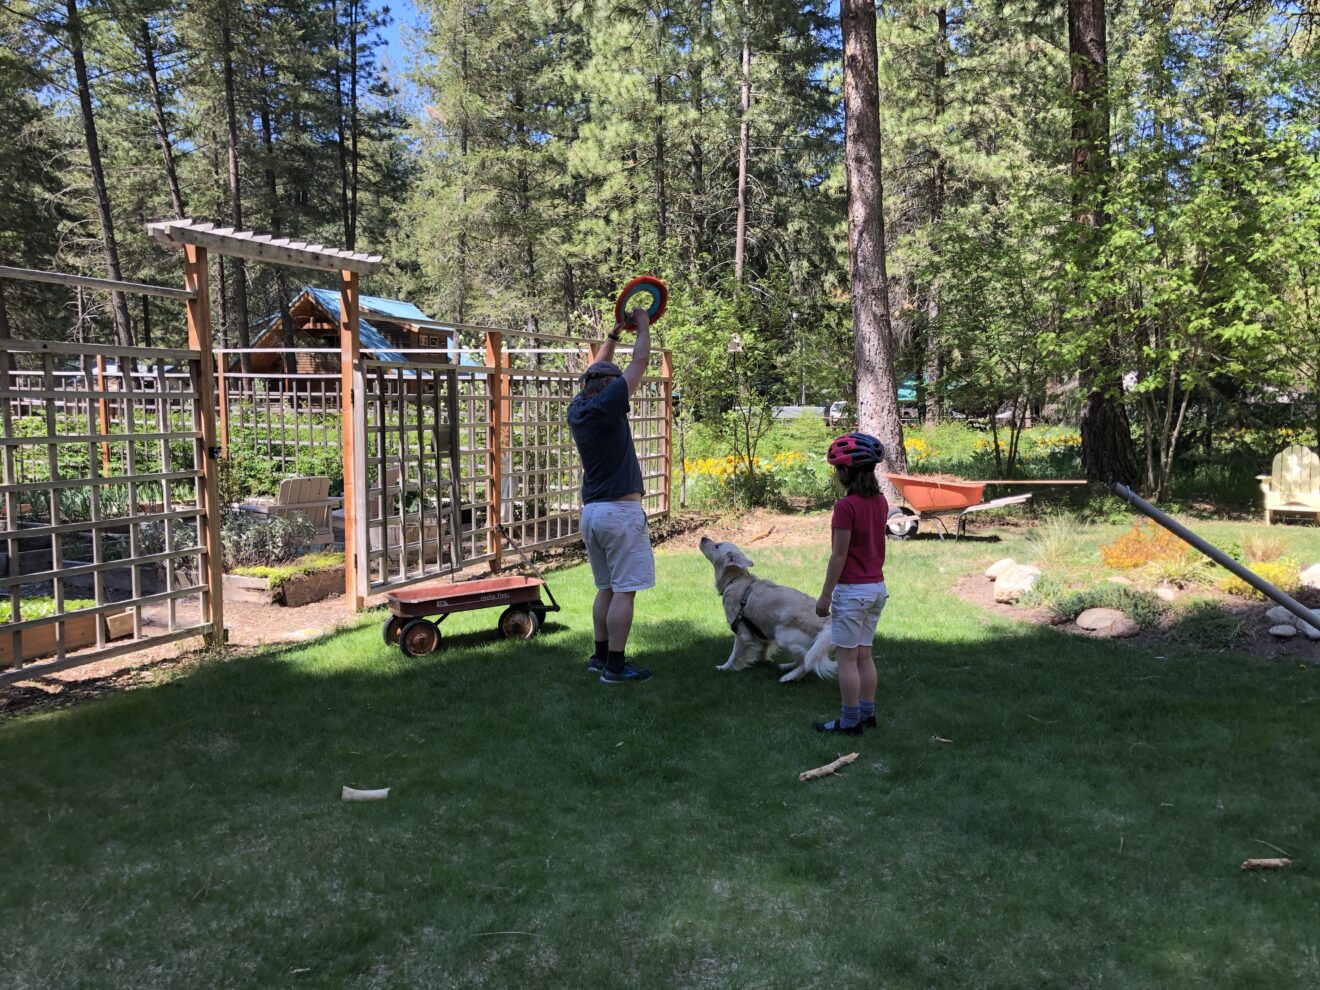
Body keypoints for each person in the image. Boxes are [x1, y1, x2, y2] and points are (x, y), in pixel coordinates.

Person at [568, 306, 655, 684]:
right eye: (616, 381)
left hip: (593, 514)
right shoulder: (608, 403)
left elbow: (594, 370)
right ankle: (616, 667)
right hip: (620, 512)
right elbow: (641, 360)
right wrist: (643, 325)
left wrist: (614, 334)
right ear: (609, 387)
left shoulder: (578, 408)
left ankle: (599, 656)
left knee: (605, 587)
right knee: (625, 591)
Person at [813, 433, 889, 734]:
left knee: (846, 659)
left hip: (853, 591)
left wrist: (825, 596)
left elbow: (839, 555)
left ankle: (848, 721)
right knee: (865, 655)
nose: (837, 475)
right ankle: (868, 715)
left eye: (838, 469)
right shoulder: (881, 501)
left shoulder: (846, 507)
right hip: (876, 589)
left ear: (847, 472)